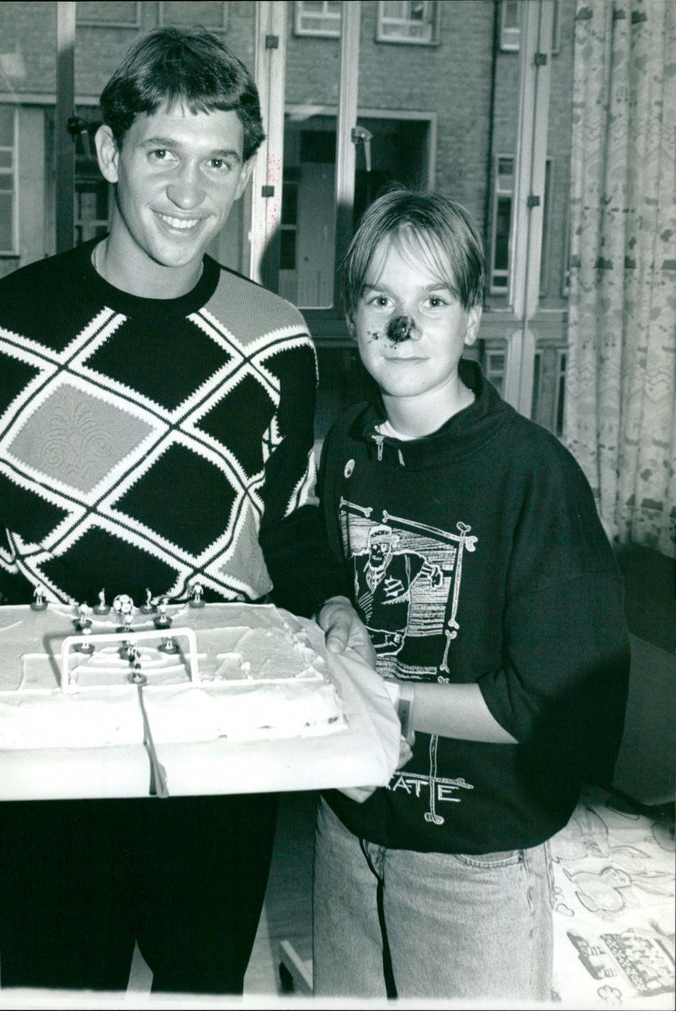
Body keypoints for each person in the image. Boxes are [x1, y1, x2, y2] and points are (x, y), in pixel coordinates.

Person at [0, 27, 357, 995]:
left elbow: (295, 525)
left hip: (222, 750)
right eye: (161, 155)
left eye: (217, 161)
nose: (189, 192)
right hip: (52, 751)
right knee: (59, 990)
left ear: (243, 173)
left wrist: (335, 603)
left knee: (202, 987)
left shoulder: (276, 342)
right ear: (108, 155)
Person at [312, 188, 630, 1001]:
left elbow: (557, 704)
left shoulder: (533, 476)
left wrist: (382, 697)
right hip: (349, 830)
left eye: (433, 299)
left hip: (475, 857)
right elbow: (336, 573)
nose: (402, 325)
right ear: (352, 317)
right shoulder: (345, 447)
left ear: (472, 319)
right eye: (381, 298)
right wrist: (340, 608)